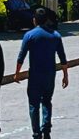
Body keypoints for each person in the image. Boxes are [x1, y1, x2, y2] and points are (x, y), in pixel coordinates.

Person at [15, 7, 69, 139]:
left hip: (35, 74)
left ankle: (36, 133)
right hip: (50, 74)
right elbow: (62, 58)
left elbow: (21, 56)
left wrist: (17, 73)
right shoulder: (55, 35)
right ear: (47, 20)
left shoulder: (29, 35)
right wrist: (65, 75)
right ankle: (46, 129)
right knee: (47, 101)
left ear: (34, 20)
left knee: (34, 104)